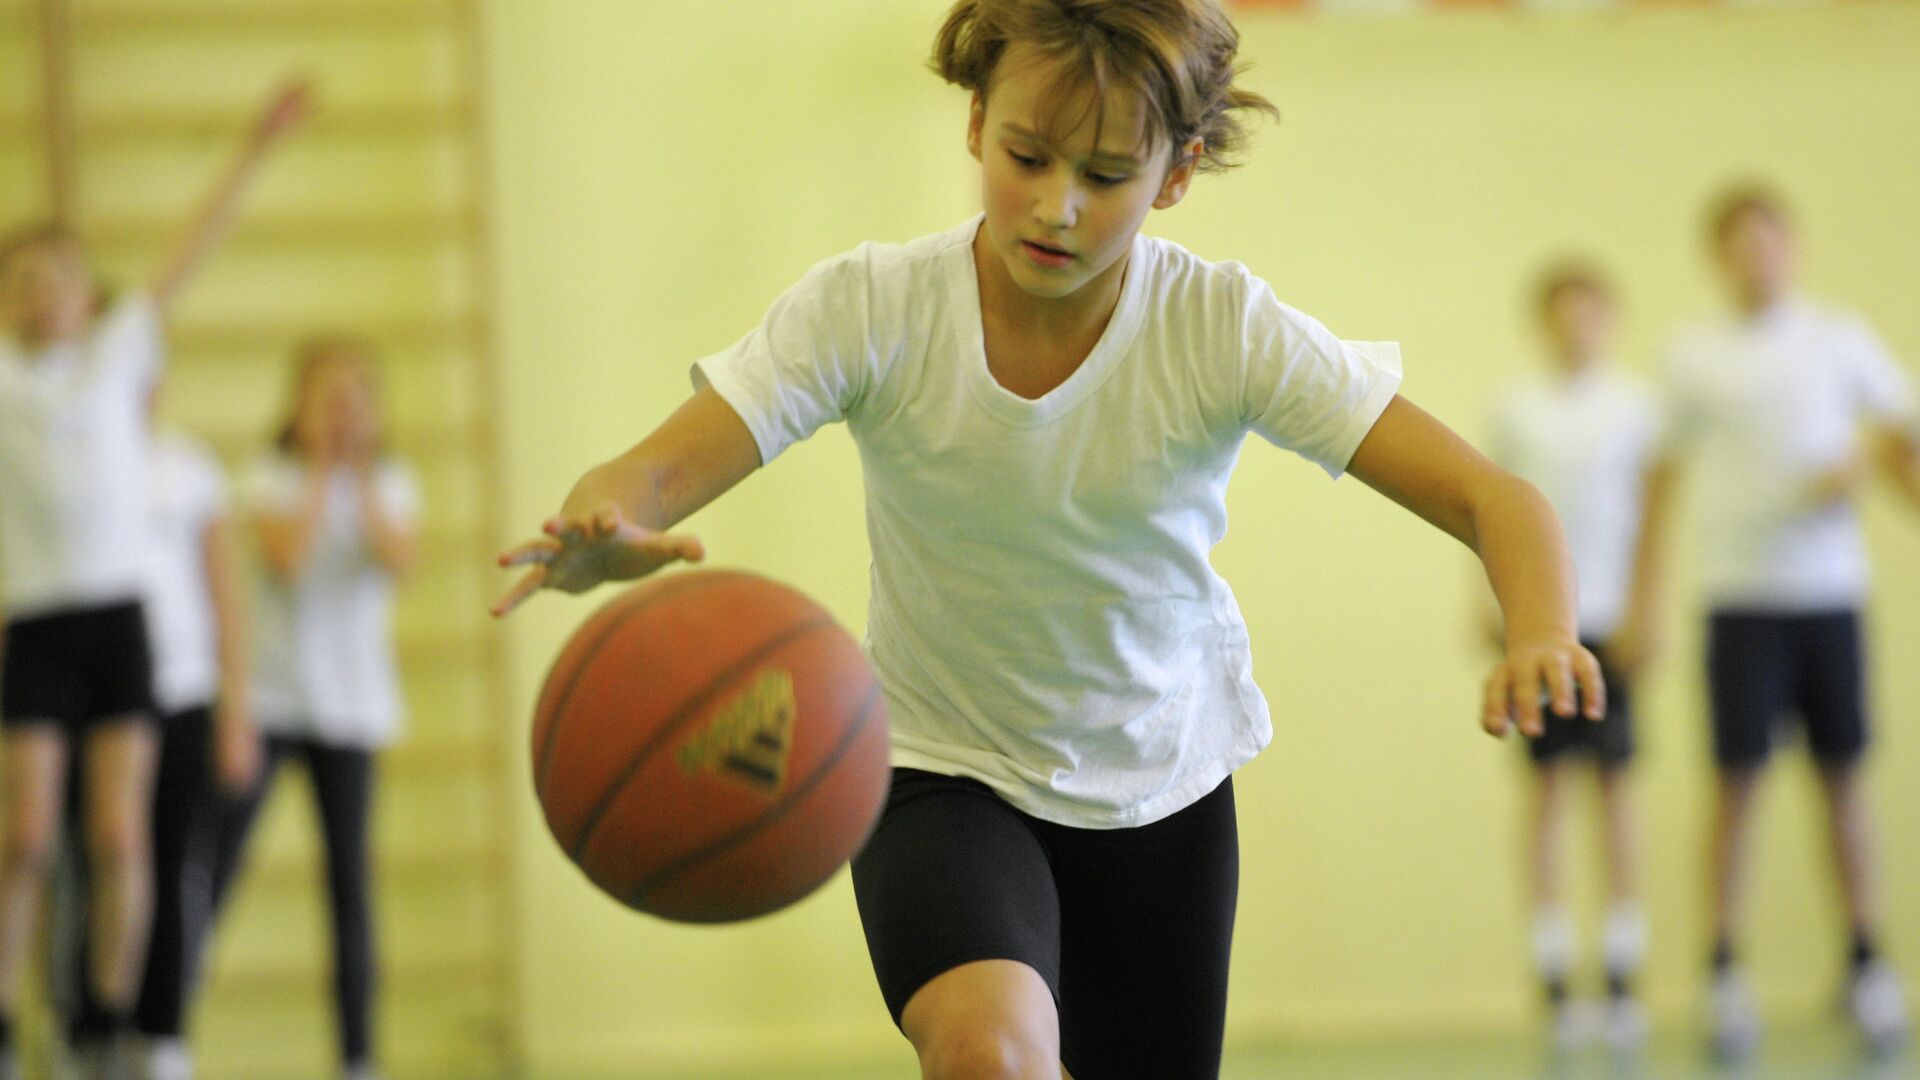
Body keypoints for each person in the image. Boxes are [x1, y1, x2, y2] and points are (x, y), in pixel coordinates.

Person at [495, 3, 1605, 1077]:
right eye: (1026, 156)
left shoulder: (1219, 328)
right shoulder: (875, 308)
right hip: (940, 771)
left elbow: (1492, 497)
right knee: (991, 1057)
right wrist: (609, 519)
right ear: (976, 122)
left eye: (1107, 177)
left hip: (1160, 791)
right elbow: (653, 469)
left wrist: (1542, 630)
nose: (1056, 206)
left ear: (1176, 174)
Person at [0, 82, 306, 1080]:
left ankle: (105, 1019)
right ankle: (8, 1025)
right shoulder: (4, 379)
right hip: (38, 627)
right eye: (24, 282)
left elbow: (191, 248)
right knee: (28, 840)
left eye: (60, 278)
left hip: (117, 624)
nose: (45, 295)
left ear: (89, 296)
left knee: (122, 837)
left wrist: (254, 148)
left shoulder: (118, 354)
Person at [1642, 185, 1920, 1060]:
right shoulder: (1691, 357)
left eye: (1770, 241)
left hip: (1829, 598)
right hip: (1738, 601)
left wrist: (1869, 462)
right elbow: (1659, 483)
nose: (1757, 257)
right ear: (1720, 256)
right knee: (1739, 783)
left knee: (1843, 779)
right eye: (1739, 244)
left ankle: (1868, 964)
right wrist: (1644, 597)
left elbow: (1901, 443)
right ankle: (1723, 969)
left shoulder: (1840, 341)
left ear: (1791, 247)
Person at [209, 338, 418, 1080]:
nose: (340, 413)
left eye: (355, 400)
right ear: (295, 406)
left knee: (349, 886)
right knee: (214, 867)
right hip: (269, 704)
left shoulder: (393, 483)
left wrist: (357, 475)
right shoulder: (267, 477)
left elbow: (398, 559)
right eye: (325, 399)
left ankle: (358, 1059)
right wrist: (325, 470)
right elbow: (289, 560)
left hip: (352, 713)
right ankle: (159, 1027)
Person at [1482, 264, 1661, 1052]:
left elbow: (1655, 519)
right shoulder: (1517, 411)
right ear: (1544, 321)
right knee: (1548, 793)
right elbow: (1490, 509)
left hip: (1613, 625)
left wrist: (1649, 610)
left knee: (1615, 794)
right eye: (1563, 313)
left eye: (1591, 312)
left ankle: (1621, 979)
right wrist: (1499, 609)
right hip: (1542, 627)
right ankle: (1555, 982)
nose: (1577, 326)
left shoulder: (1636, 408)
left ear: (1607, 318)